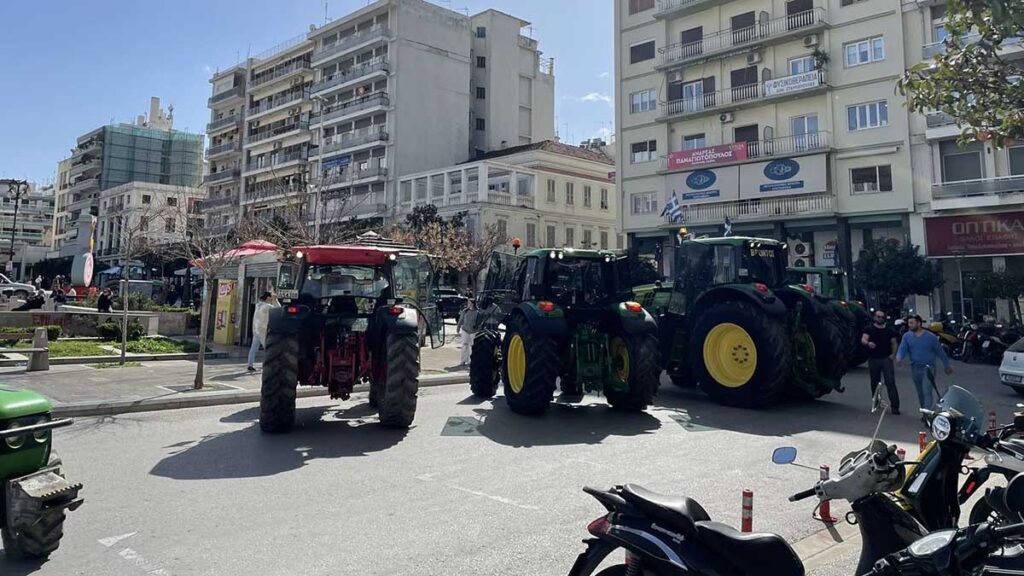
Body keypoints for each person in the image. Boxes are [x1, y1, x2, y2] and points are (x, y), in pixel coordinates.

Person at [896, 314, 952, 421]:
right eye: (909, 323)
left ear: (919, 323)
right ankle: (924, 412)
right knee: (920, 392)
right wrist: (899, 358)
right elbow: (902, 348)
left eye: (912, 323)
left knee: (927, 391)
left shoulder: (930, 337)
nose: (910, 325)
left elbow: (940, 352)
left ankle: (928, 415)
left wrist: (947, 365)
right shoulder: (907, 336)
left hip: (928, 368)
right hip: (915, 368)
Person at [861, 311, 900, 414]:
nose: (880, 318)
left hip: (886, 359)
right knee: (875, 383)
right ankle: (876, 402)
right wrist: (868, 343)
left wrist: (893, 355)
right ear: (874, 317)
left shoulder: (889, 330)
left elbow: (894, 343)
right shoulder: (869, 329)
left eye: (882, 317)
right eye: (878, 317)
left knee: (890, 382)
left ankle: (895, 406)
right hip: (873, 359)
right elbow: (863, 339)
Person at [248, 292, 279, 372]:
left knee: (253, 348)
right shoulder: (266, 306)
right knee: (268, 347)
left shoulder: (258, 305)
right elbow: (278, 308)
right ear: (268, 298)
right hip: (262, 330)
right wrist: (276, 300)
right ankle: (268, 364)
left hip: (256, 329)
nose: (271, 299)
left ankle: (250, 365)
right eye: (270, 298)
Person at [457, 299, 478, 367]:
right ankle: (463, 360)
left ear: (473, 304)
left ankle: (471, 360)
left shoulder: (477, 312)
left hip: (473, 331)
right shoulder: (465, 311)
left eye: (470, 303)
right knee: (465, 345)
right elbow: (461, 319)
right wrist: (458, 327)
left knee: (472, 346)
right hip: (465, 330)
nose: (468, 304)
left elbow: (479, 322)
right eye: (468, 303)